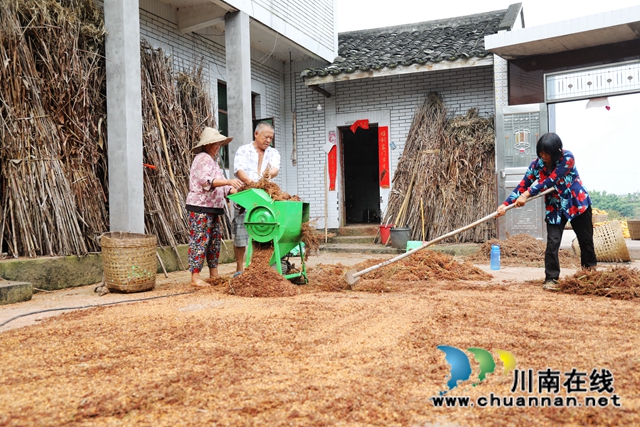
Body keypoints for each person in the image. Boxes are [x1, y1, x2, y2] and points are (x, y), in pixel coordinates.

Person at [496, 132, 596, 291]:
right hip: (555, 206)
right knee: (552, 243)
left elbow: (551, 180)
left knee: (586, 241)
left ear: (557, 150)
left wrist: (527, 194)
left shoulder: (567, 158)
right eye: (540, 152)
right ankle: (551, 279)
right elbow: (522, 185)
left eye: (546, 152)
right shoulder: (537, 165)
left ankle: (590, 276)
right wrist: (505, 205)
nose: (543, 155)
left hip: (576, 203)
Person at [186, 127, 243, 287]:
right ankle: (195, 277)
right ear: (206, 145)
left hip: (213, 208)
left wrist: (238, 191)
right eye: (214, 143)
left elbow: (224, 187)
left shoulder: (213, 162)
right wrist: (229, 181)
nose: (217, 146)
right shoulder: (202, 158)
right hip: (201, 207)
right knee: (200, 240)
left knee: (214, 241)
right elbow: (206, 181)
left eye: (219, 143)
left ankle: (214, 274)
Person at [232, 121, 281, 275]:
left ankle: (261, 267)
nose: (268, 140)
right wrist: (251, 184)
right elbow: (239, 170)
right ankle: (240, 268)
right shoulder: (243, 150)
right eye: (266, 137)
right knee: (240, 233)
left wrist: (267, 176)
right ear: (256, 134)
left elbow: (275, 169)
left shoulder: (273, 153)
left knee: (264, 230)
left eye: (271, 138)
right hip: (245, 195)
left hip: (265, 197)